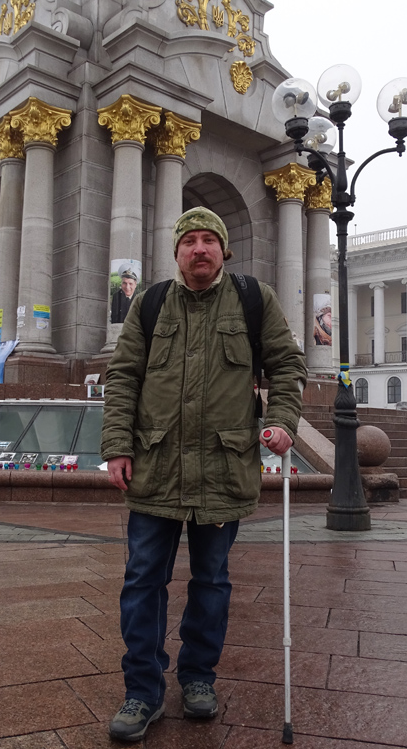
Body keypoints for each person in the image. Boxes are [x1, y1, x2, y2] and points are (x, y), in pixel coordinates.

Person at [101, 206, 306, 742]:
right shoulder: (148, 305)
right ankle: (142, 691)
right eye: (189, 240)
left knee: (211, 582)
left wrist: (283, 419)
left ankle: (198, 680)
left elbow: (287, 365)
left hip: (223, 468)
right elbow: (122, 377)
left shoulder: (254, 300)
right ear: (176, 252)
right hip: (156, 469)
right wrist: (118, 446)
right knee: (143, 581)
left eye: (208, 240)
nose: (199, 248)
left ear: (223, 250)